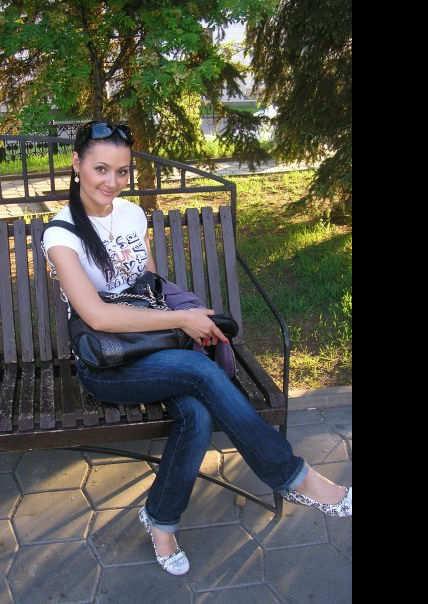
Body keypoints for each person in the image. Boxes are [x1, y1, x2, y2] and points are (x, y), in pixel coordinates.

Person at [41, 120, 352, 576]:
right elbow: (99, 317)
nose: (112, 181)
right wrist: (180, 321)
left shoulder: (131, 215)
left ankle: (160, 520)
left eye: (122, 171)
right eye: (100, 169)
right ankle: (293, 476)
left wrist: (189, 318)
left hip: (154, 351)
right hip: (107, 366)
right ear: (76, 165)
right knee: (200, 372)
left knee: (197, 413)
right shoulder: (61, 233)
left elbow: (147, 288)